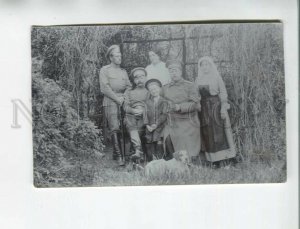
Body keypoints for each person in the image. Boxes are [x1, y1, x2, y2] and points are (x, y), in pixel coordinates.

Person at [195, 56, 236, 165]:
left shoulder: (217, 77)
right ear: (200, 67)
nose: (205, 67)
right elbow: (196, 94)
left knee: (220, 132)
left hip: (215, 106)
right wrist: (198, 103)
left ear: (211, 65)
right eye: (202, 65)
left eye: (207, 64)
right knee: (207, 133)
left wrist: (223, 107)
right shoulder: (198, 79)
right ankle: (214, 160)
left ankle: (228, 157)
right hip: (204, 109)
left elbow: (223, 93)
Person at [162, 59, 201, 161]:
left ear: (180, 72)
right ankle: (173, 161)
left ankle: (190, 160)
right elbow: (161, 102)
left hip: (188, 121)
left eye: (175, 70)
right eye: (171, 71)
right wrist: (165, 107)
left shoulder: (190, 85)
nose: (173, 73)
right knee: (167, 138)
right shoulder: (165, 87)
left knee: (183, 137)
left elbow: (195, 104)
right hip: (172, 121)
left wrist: (180, 107)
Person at [99, 45, 132, 166]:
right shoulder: (104, 70)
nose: (120, 57)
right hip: (110, 100)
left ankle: (124, 152)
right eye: (117, 56)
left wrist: (123, 97)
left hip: (122, 99)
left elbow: (129, 86)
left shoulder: (123, 71)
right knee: (114, 127)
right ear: (111, 57)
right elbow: (104, 88)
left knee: (126, 125)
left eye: (120, 55)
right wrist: (117, 99)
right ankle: (119, 156)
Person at [123, 67, 149, 162]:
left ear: (146, 77)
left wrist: (144, 111)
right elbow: (125, 107)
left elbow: (153, 105)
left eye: (142, 76)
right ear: (134, 80)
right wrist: (133, 111)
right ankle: (138, 150)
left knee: (137, 127)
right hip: (132, 116)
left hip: (145, 116)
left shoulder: (149, 91)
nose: (139, 79)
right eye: (137, 77)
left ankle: (138, 150)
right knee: (130, 121)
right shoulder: (129, 91)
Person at [144, 79, 168, 160]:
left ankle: (160, 160)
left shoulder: (164, 101)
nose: (154, 91)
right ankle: (151, 160)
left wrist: (156, 124)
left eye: (155, 89)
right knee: (149, 140)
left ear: (159, 89)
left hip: (160, 126)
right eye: (151, 90)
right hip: (149, 126)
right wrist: (147, 125)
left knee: (158, 140)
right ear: (149, 92)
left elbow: (164, 115)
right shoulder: (147, 102)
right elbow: (145, 114)